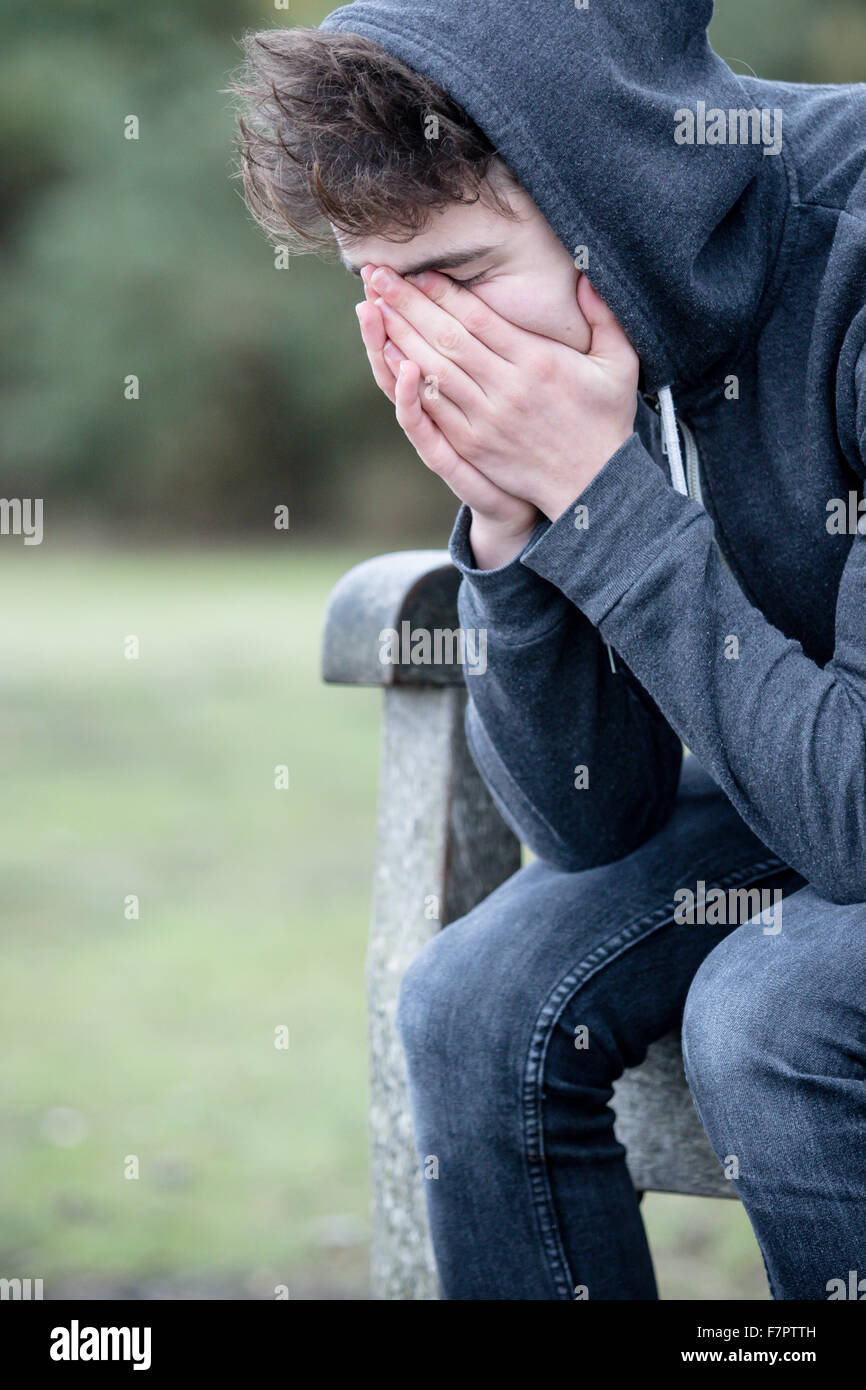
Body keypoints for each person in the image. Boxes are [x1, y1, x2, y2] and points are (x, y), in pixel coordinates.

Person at [234, 1, 866, 1299]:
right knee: (472, 1002)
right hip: (808, 747)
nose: (436, 347)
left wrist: (599, 492)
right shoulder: (570, 319)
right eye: (385, 291)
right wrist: (512, 525)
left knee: (773, 1015)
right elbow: (593, 816)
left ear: (615, 192)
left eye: (459, 280)